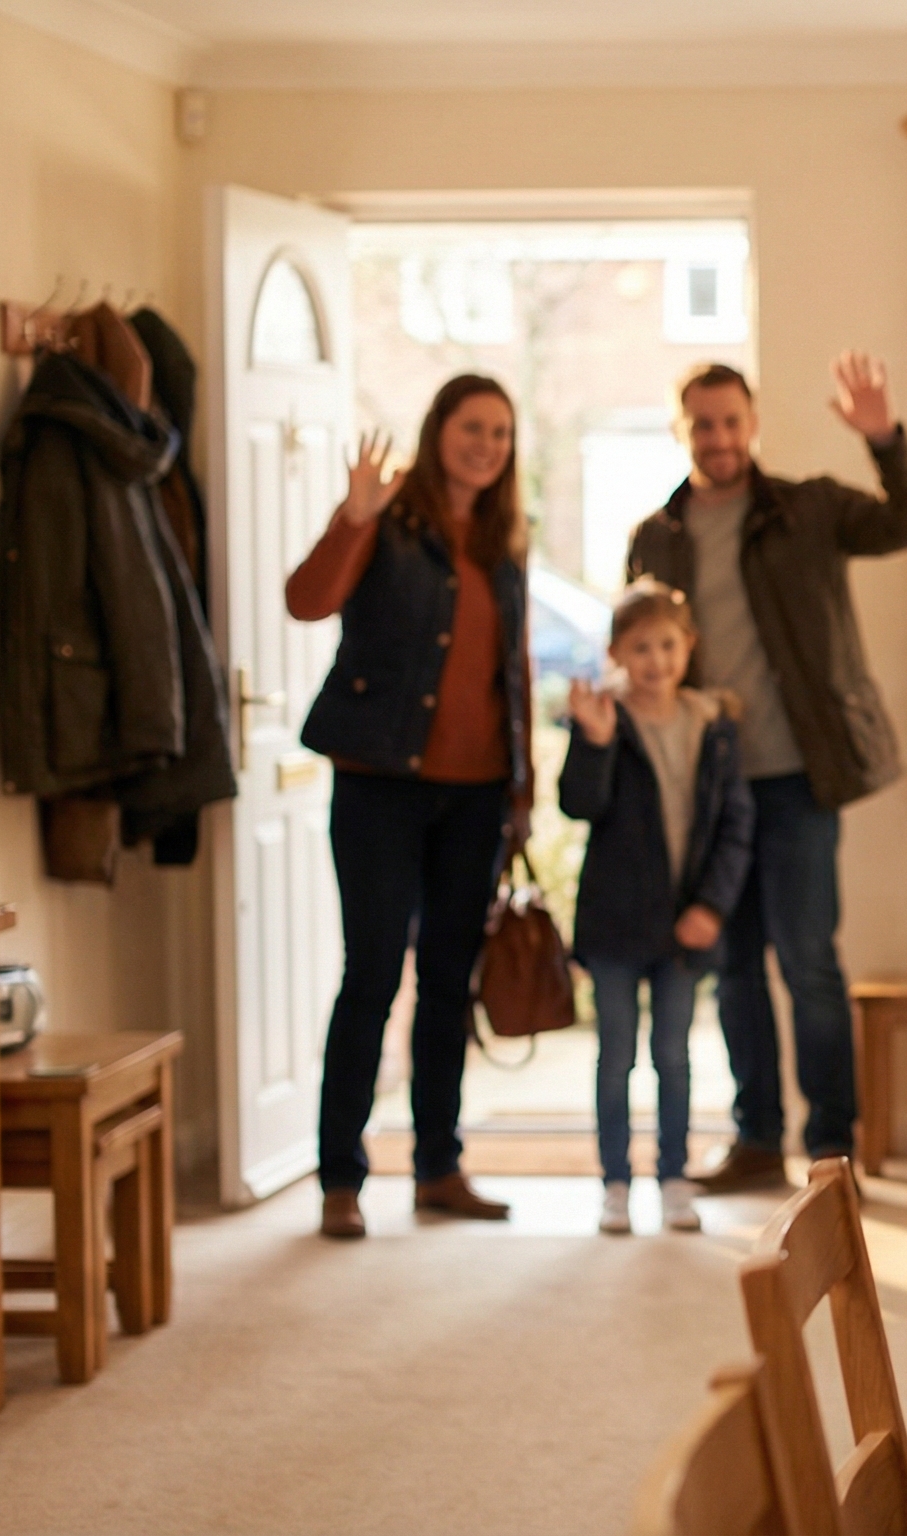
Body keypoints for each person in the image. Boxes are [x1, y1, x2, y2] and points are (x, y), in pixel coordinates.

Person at [625, 354, 907, 1190]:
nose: (719, 437)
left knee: (808, 962)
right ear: (681, 430)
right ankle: (757, 1140)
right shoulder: (655, 538)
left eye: (732, 421)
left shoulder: (807, 508)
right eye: (702, 423)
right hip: (710, 790)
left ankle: (831, 1150)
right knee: (734, 968)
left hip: (803, 776)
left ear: (753, 424)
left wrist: (885, 438)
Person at [287, 374, 536, 1240]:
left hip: (476, 798)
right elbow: (306, 599)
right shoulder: (388, 518)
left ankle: (439, 1166)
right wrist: (352, 515)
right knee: (372, 975)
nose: (488, 445)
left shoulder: (505, 538)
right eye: (474, 428)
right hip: (380, 786)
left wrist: (522, 790)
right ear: (439, 432)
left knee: (446, 987)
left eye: (501, 433)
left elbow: (516, 669)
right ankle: (341, 1179)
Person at [561, 579, 754, 1236]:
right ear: (617, 651)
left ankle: (675, 1176)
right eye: (640, 647)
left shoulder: (714, 727)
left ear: (689, 647)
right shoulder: (605, 719)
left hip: (685, 928)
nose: (656, 660)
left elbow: (736, 827)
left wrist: (712, 907)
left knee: (674, 1055)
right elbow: (578, 804)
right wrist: (592, 741)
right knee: (615, 1057)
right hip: (616, 926)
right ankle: (615, 1183)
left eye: (668, 645)